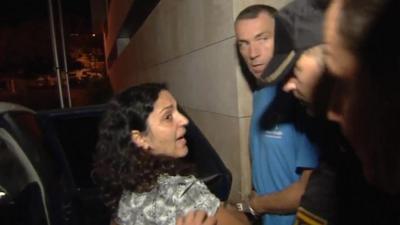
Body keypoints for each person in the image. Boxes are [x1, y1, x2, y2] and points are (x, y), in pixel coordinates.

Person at [91, 83, 249, 225]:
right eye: (168, 116)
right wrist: (238, 209)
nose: (184, 120)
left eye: (177, 111)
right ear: (140, 138)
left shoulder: (125, 188)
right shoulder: (182, 192)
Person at [234, 5, 319, 225]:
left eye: (262, 38)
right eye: (244, 44)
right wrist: (243, 207)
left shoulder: (302, 94)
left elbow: (311, 191)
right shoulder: (261, 90)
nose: (252, 54)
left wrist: (255, 205)